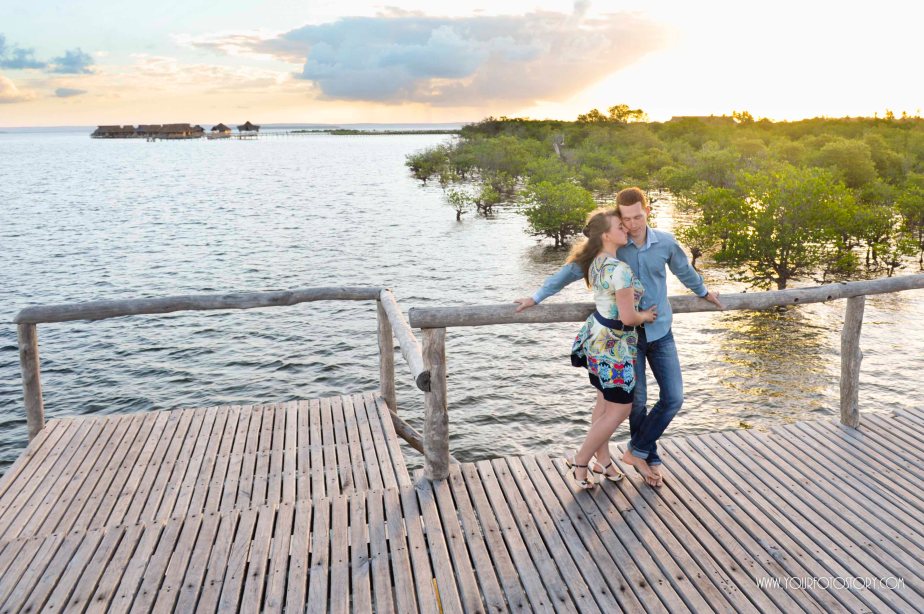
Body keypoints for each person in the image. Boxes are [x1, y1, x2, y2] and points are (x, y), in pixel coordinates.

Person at [516, 187, 724, 487]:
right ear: (620, 220)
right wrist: (536, 297)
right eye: (626, 219)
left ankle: (634, 450)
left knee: (674, 397)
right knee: (634, 403)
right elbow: (570, 272)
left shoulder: (664, 242)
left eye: (638, 216)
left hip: (661, 330)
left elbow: (684, 271)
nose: (633, 224)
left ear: (647, 211)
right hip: (627, 339)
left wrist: (704, 292)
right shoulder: (616, 245)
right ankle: (645, 457)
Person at [562, 208, 657, 489]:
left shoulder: (596, 263)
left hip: (597, 338)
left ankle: (602, 460)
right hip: (614, 345)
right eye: (620, 226)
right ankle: (580, 460)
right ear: (606, 234)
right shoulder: (620, 270)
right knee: (621, 408)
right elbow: (628, 317)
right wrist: (646, 317)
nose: (626, 229)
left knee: (604, 403)